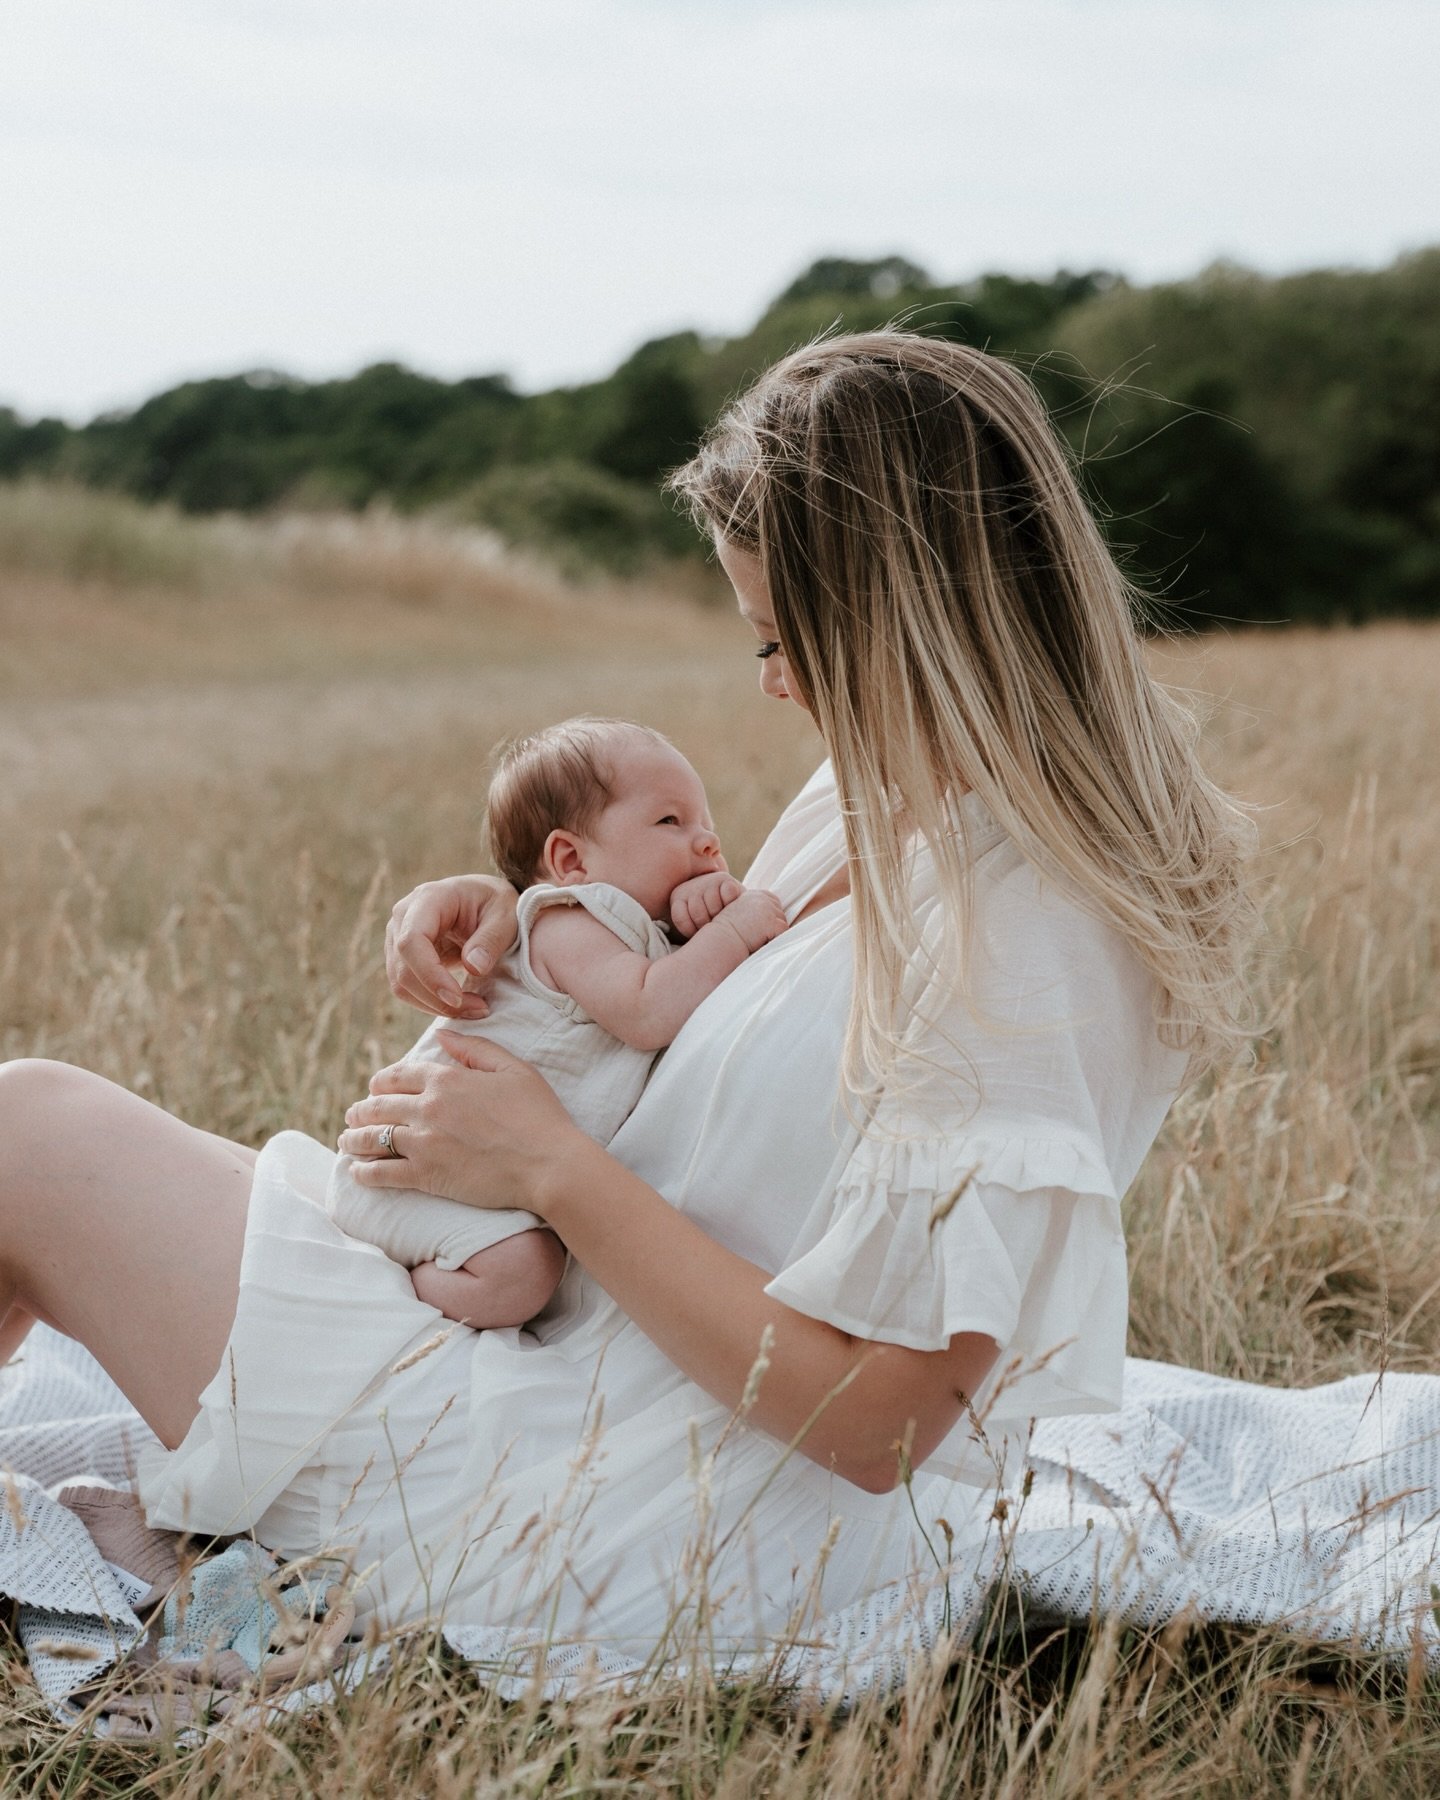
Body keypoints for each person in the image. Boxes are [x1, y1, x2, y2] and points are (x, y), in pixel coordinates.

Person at [0, 331, 1254, 1654]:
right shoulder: (886, 797)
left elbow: (885, 1426)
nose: (773, 685)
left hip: (634, 1500)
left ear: (897, 620)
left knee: (24, 1134)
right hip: (559, 1351)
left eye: (782, 638)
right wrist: (533, 926)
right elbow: (709, 1018)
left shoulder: (1030, 934)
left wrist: (549, 1171)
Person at [327, 715, 787, 1327]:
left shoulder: (629, 932)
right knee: (522, 1274)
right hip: (405, 1176)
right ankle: (378, 1300)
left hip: (474, 1177)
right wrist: (732, 928)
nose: (706, 842)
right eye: (670, 821)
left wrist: (696, 913)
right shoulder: (564, 924)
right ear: (569, 859)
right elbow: (650, 1011)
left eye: (707, 824)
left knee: (530, 1264)